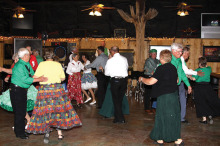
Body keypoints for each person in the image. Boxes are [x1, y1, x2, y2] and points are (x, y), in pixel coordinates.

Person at [26, 51, 82, 143]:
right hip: (57, 89)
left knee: (46, 111)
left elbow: (35, 76)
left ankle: (46, 132)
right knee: (58, 110)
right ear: (53, 57)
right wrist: (55, 78)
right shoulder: (58, 64)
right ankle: (60, 134)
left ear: (45, 57)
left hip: (45, 90)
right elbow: (63, 78)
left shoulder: (42, 64)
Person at [139, 50, 184, 146]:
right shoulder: (173, 68)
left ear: (162, 58)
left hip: (164, 97)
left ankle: (160, 139)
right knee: (173, 117)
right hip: (174, 96)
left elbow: (151, 81)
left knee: (162, 117)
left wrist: (142, 79)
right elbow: (176, 81)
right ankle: (177, 139)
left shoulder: (161, 68)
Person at [9, 48, 47, 139]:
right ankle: (20, 133)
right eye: (29, 55)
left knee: (22, 111)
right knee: (19, 112)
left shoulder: (26, 64)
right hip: (17, 90)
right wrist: (39, 79)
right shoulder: (19, 66)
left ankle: (20, 131)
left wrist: (40, 77)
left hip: (22, 90)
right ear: (25, 56)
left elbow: (32, 74)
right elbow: (25, 79)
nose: (30, 56)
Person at [0, 53, 37, 130]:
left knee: (22, 107)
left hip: (24, 87)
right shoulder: (17, 64)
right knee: (19, 107)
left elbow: (13, 71)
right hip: (18, 87)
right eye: (14, 60)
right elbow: (12, 71)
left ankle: (27, 122)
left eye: (16, 60)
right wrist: (7, 76)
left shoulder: (23, 65)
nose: (15, 61)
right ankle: (23, 123)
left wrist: (3, 69)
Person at [191, 57, 220, 124]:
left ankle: (204, 119)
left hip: (199, 87)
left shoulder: (198, 70)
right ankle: (210, 114)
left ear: (199, 63)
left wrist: (189, 76)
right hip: (208, 87)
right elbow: (207, 67)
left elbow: (193, 79)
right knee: (209, 100)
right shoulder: (209, 69)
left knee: (201, 102)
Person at [99, 54, 129, 118]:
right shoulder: (120, 61)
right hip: (120, 81)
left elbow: (107, 73)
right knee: (118, 98)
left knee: (110, 98)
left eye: (109, 56)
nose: (108, 58)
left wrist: (102, 70)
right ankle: (119, 112)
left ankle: (109, 113)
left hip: (113, 82)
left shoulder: (111, 62)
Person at [180, 46, 204, 123]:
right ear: (185, 53)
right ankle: (181, 118)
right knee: (182, 99)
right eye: (188, 53)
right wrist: (196, 73)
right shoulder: (181, 60)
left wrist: (189, 76)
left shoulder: (181, 60)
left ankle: (181, 117)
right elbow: (186, 71)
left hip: (179, 82)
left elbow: (183, 72)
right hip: (178, 82)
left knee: (182, 99)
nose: (189, 55)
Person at [105, 46, 128, 123]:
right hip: (124, 81)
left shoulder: (110, 61)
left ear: (112, 51)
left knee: (116, 100)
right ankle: (117, 118)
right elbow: (126, 68)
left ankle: (121, 119)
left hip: (115, 81)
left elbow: (106, 73)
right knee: (119, 100)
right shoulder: (124, 59)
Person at [170, 43, 192, 124]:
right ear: (173, 51)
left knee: (178, 101)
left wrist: (188, 85)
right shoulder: (169, 60)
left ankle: (179, 118)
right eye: (179, 51)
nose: (181, 53)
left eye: (181, 51)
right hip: (170, 86)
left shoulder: (179, 60)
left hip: (178, 85)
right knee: (171, 103)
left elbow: (182, 73)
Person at [143, 49, 160, 114]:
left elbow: (158, 67)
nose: (154, 55)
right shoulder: (148, 61)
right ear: (150, 54)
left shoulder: (157, 61)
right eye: (153, 54)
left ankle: (153, 107)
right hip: (148, 77)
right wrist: (153, 72)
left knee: (154, 93)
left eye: (155, 54)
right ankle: (147, 108)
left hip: (155, 78)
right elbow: (147, 69)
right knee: (148, 93)